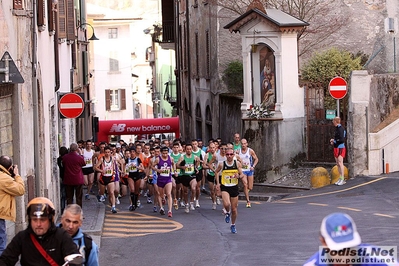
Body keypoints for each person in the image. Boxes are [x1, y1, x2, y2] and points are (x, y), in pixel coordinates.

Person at [0, 197, 78, 265]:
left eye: (43, 220)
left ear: (50, 220)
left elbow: (74, 259)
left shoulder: (62, 236)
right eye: (34, 220)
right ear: (30, 220)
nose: (38, 224)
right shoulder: (22, 237)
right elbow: (5, 259)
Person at [304, 212, 398, 266]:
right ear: (323, 242)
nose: (346, 256)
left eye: (350, 247)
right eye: (339, 250)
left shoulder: (380, 259)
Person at [215, 147, 244, 234]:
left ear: (233, 155)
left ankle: (233, 224)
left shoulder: (237, 163)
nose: (229, 156)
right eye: (227, 154)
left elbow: (242, 174)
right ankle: (227, 212)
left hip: (234, 187)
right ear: (225, 155)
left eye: (231, 154)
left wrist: (238, 176)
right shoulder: (222, 164)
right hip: (225, 186)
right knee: (227, 204)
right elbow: (216, 172)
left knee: (234, 209)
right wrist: (218, 183)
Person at [0, 156, 25, 255]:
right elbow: (20, 190)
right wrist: (17, 175)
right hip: (0, 215)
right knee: (1, 243)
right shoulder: (3, 178)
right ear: (10, 168)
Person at [152, 146, 176, 217]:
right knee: (160, 194)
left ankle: (169, 211)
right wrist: (157, 170)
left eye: (166, 153)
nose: (165, 155)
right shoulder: (158, 159)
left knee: (168, 194)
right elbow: (152, 166)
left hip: (168, 179)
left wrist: (174, 171)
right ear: (161, 153)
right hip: (160, 179)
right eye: (163, 153)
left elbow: (173, 164)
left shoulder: (171, 158)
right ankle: (162, 204)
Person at [61, 143, 86, 208]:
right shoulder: (79, 157)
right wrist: (81, 154)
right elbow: (84, 163)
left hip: (68, 179)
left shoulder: (65, 157)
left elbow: (63, 164)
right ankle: (79, 212)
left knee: (69, 197)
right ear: (77, 149)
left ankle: (70, 212)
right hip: (78, 179)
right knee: (79, 197)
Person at [94, 146, 118, 213]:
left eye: (108, 152)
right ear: (104, 152)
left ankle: (113, 207)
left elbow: (114, 166)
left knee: (111, 192)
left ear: (110, 152)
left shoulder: (112, 159)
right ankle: (102, 195)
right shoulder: (102, 159)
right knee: (102, 192)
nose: (107, 154)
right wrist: (101, 171)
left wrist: (114, 171)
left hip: (110, 178)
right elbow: (95, 167)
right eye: (106, 152)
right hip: (103, 178)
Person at [238, 138, 259, 208]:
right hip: (242, 170)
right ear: (240, 144)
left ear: (247, 144)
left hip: (249, 170)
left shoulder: (250, 151)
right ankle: (248, 201)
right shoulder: (238, 151)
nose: (243, 145)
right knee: (245, 184)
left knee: (250, 187)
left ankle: (246, 191)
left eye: (245, 143)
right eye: (242, 144)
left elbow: (256, 159)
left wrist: (253, 166)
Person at [330, 117, 346, 186]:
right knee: (337, 163)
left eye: (333, 121)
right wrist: (334, 141)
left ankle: (342, 178)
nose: (333, 122)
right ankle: (340, 177)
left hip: (340, 147)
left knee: (340, 162)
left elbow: (342, 139)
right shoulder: (337, 129)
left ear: (336, 121)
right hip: (336, 147)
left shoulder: (340, 129)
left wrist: (334, 141)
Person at [57, 146, 68, 213]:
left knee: (63, 194)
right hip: (68, 177)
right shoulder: (67, 159)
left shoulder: (59, 159)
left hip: (62, 177)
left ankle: (62, 208)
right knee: (69, 194)